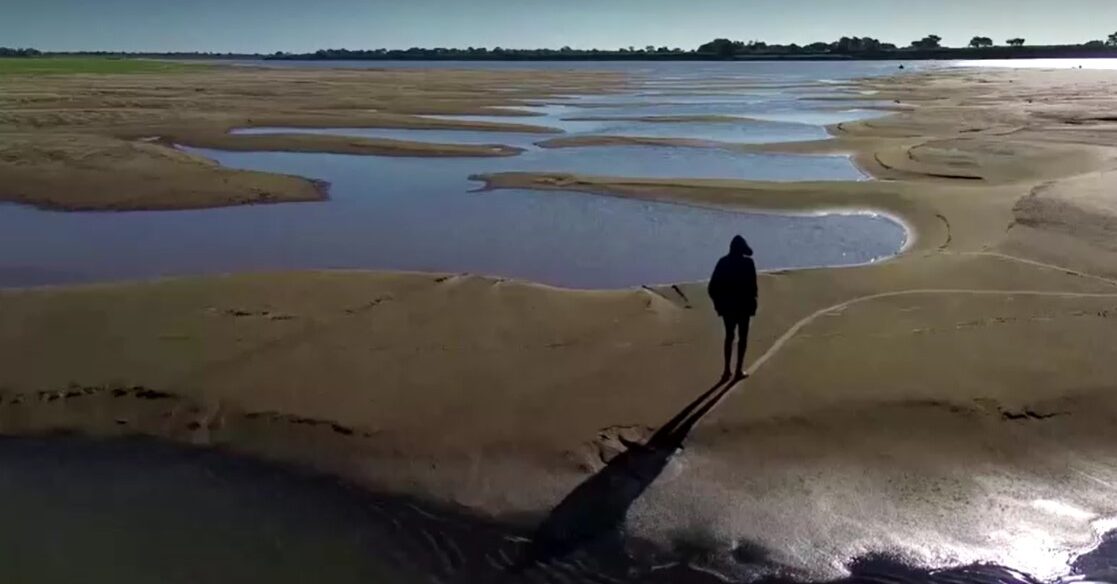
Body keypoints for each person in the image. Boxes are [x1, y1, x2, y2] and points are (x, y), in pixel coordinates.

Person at [707, 235, 758, 381]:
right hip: (744, 307)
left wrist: (718, 305)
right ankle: (738, 370)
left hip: (728, 307)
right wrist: (753, 303)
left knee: (729, 337)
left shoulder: (723, 262)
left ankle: (726, 370)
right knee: (743, 338)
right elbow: (753, 287)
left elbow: (712, 288)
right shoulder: (748, 263)